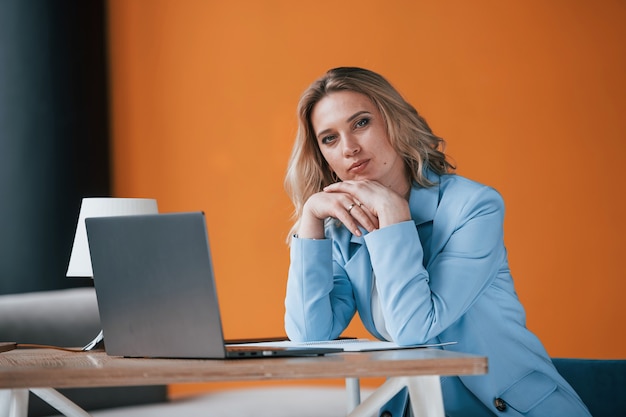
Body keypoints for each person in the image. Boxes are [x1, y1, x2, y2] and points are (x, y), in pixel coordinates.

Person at [282, 67, 591, 417]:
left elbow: (416, 327)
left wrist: (393, 216)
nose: (350, 148)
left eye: (361, 123)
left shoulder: (474, 207)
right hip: (423, 406)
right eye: (330, 138)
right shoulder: (344, 228)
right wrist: (310, 221)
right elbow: (309, 334)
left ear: (393, 121)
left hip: (509, 409)